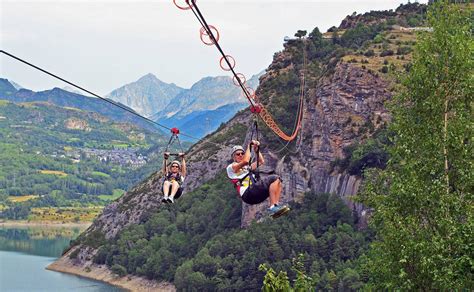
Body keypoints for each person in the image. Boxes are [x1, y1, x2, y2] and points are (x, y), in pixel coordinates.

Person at [226, 140, 289, 217]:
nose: (240, 155)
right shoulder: (231, 168)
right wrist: (249, 146)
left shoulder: (246, 168)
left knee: (278, 181)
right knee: (274, 178)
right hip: (248, 193)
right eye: (237, 154)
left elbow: (261, 161)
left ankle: (275, 206)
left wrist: (256, 150)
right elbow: (246, 161)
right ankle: (273, 207)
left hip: (255, 196)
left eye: (242, 153)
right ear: (233, 157)